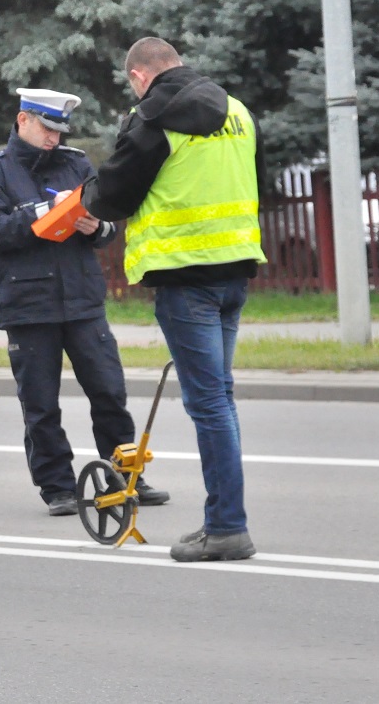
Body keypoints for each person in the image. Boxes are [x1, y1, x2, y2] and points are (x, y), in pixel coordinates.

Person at [81, 38, 267, 562]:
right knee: (220, 400)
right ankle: (226, 520)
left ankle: (227, 527)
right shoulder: (238, 112)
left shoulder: (152, 118)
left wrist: (88, 201)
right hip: (236, 272)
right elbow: (261, 182)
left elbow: (115, 194)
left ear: (140, 76)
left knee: (209, 406)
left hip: (186, 281)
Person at [0, 87, 170, 517]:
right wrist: (45, 211)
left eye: (59, 131)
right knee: (41, 403)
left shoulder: (76, 163)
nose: (54, 139)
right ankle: (57, 487)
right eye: (46, 128)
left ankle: (125, 477)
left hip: (82, 300)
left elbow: (109, 227)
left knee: (110, 392)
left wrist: (96, 228)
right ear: (23, 121)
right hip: (28, 304)